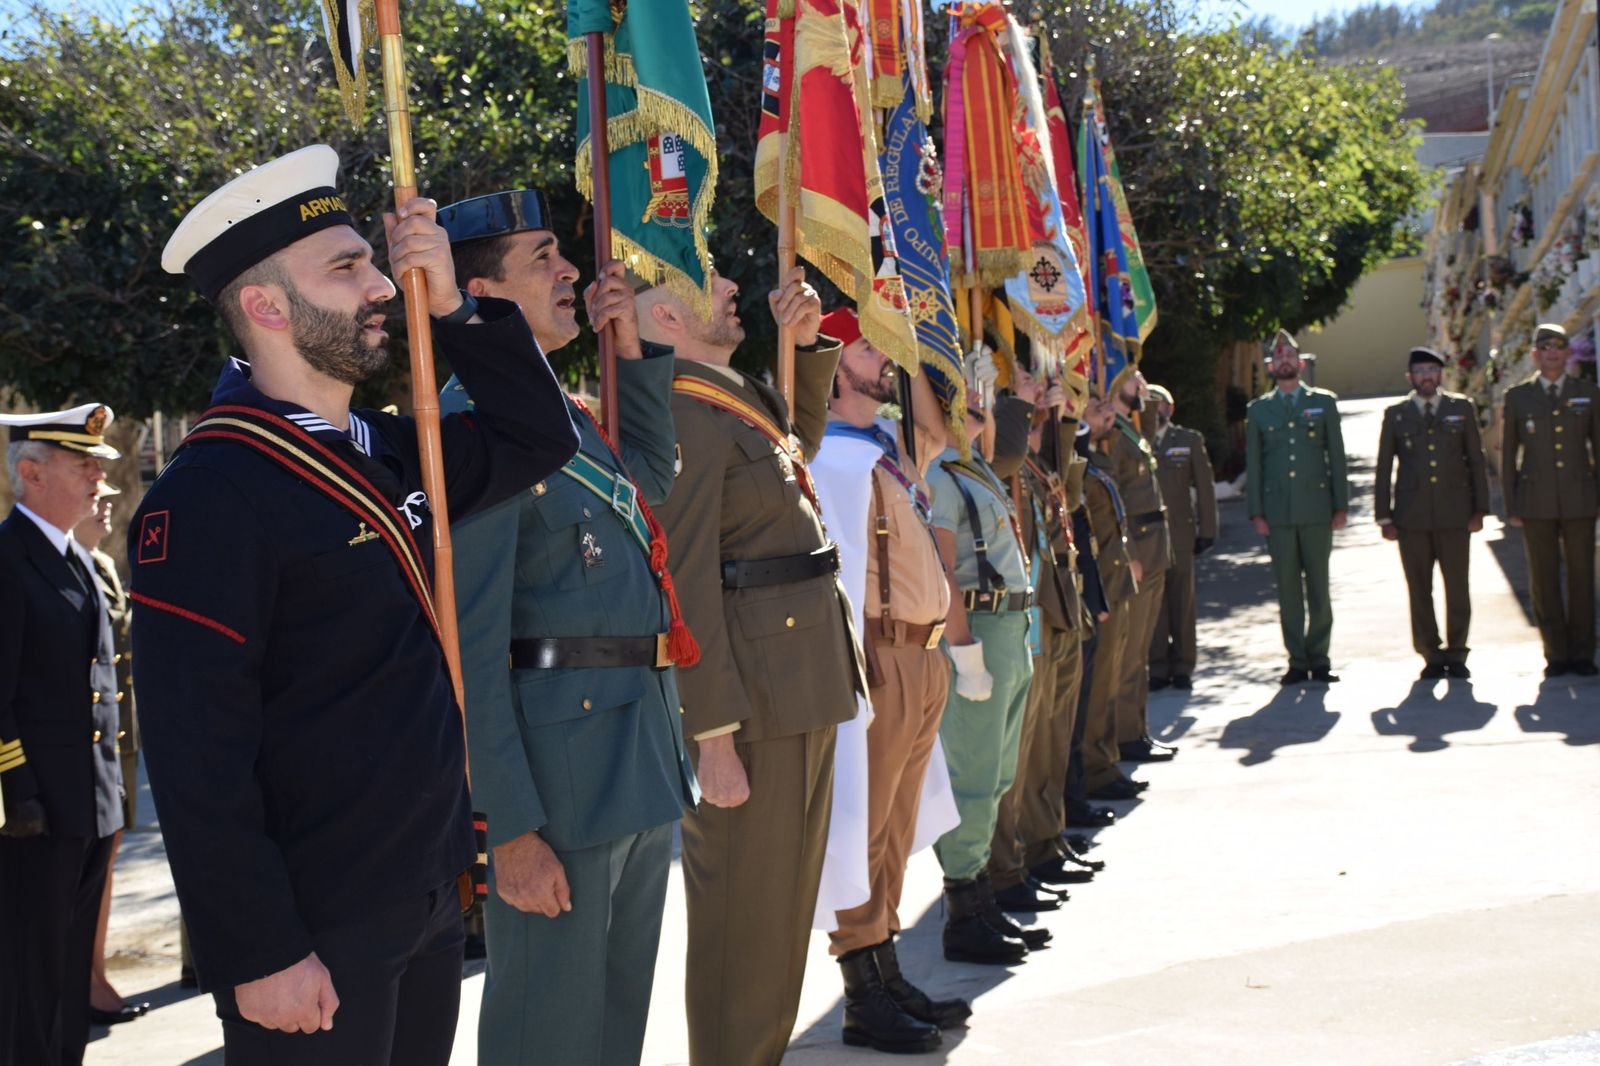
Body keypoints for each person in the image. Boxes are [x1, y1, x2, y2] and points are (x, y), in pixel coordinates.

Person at [130, 145, 578, 1064]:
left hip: (422, 894)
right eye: (348, 267)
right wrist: (259, 952)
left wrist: (454, 305)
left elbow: (538, 436)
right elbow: (194, 754)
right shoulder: (211, 489)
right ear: (264, 306)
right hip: (312, 924)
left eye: (371, 260)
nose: (383, 284)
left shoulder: (382, 442)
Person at [436, 189, 697, 1066]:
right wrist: (505, 829)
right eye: (543, 257)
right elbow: (468, 647)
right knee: (546, 1028)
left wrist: (630, 348)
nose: (572, 272)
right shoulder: (471, 420)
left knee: (615, 1019)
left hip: (632, 747)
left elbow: (653, 475)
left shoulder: (561, 410)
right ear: (483, 294)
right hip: (558, 780)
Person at [644, 265, 862, 1066]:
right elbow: (686, 580)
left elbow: (793, 445)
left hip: (798, 687)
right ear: (665, 311)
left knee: (777, 928)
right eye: (705, 280)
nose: (731, 284)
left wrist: (804, 347)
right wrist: (713, 734)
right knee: (746, 932)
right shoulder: (677, 414)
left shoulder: (727, 402)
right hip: (752, 709)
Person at [808, 306, 964, 1054]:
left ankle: (888, 968)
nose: (884, 358)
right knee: (862, 830)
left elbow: (940, 435)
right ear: (835, 368)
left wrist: (905, 354)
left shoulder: (886, 446)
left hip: (922, 657)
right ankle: (861, 989)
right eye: (869, 347)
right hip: (880, 658)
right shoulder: (832, 459)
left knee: (896, 830)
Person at [0, 404, 124, 1066]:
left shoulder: (77, 559)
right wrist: (16, 793)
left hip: (87, 804)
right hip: (36, 811)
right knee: (30, 978)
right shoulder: (9, 559)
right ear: (30, 472)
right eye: (83, 467)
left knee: (69, 978)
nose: (99, 482)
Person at [924, 390, 1049, 966]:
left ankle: (982, 897)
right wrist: (962, 649)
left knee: (997, 774)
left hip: (1007, 627)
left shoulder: (975, 471)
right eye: (964, 408)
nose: (978, 415)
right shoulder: (942, 478)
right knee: (973, 776)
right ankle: (963, 913)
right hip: (977, 629)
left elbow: (1017, 448)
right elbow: (943, 569)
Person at [988, 368, 1094, 915]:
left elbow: (1068, 496)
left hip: (1056, 605)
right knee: (1020, 753)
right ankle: (1012, 858)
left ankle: (1045, 840)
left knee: (1052, 737)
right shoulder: (1003, 465)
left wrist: (1065, 421)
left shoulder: (1034, 463)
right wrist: (1023, 409)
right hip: (1030, 613)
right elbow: (1005, 460)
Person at [71, 485, 153, 1028]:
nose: (105, 501)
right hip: (77, 751)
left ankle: (93, 976)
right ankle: (81, 980)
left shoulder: (99, 564)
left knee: (103, 871)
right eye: (93, 490)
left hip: (115, 746)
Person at [1374, 347, 1489, 680]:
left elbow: (1476, 460)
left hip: (1455, 514)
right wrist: (1385, 516)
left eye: (1432, 370)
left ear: (1440, 375)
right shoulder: (1396, 414)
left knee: (1457, 587)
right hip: (1412, 518)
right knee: (1419, 588)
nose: (1426, 376)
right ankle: (1430, 653)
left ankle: (1457, 652)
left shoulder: (1460, 408)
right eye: (1420, 371)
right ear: (1410, 377)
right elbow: (1384, 468)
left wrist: (1480, 508)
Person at [1246, 329, 1349, 685]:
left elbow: (1335, 456)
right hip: (1278, 514)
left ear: (1302, 364)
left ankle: (1320, 658)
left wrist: (1341, 505)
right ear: (1271, 367)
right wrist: (1256, 512)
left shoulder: (1324, 402)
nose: (1285, 360)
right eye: (1279, 356)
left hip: (1317, 508)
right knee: (1288, 589)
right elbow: (1255, 464)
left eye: (1291, 355)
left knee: (1318, 586)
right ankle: (1297, 660)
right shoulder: (1259, 410)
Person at [1500, 323, 1600, 677]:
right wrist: (1511, 505)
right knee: (1543, 579)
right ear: (1535, 355)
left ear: (1568, 353)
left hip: (1580, 499)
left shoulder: (1588, 393)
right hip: (1535, 500)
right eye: (1545, 348)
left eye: (1559, 347)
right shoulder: (1518, 397)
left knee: (1581, 576)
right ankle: (1555, 653)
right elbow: (1509, 453)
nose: (1552, 353)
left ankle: (1583, 652)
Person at [1104, 368, 1176, 762]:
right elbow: (1115, 497)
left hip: (1153, 550)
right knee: (1129, 653)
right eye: (1135, 380)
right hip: (1137, 555)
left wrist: (1142, 393)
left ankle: (1138, 729)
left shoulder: (1128, 428)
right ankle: (1126, 736)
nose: (1143, 386)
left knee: (1141, 650)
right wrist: (1128, 552)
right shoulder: (1112, 433)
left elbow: (1147, 423)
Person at [1076, 395, 1145, 801]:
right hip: (1101, 588)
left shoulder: (1096, 465)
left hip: (1117, 585)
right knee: (1098, 687)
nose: (1108, 414)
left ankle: (1105, 762)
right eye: (1095, 407)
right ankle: (1094, 770)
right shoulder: (1079, 468)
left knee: (1111, 681)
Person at [1144, 383, 1217, 691]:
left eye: (1157, 404)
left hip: (1181, 535)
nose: (1152, 409)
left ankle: (1184, 665)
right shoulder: (1137, 442)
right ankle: (1158, 666)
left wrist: (1207, 530)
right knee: (1155, 605)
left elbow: (1205, 487)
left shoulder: (1187, 440)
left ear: (1169, 409)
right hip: (1148, 539)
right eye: (1147, 403)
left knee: (1182, 602)